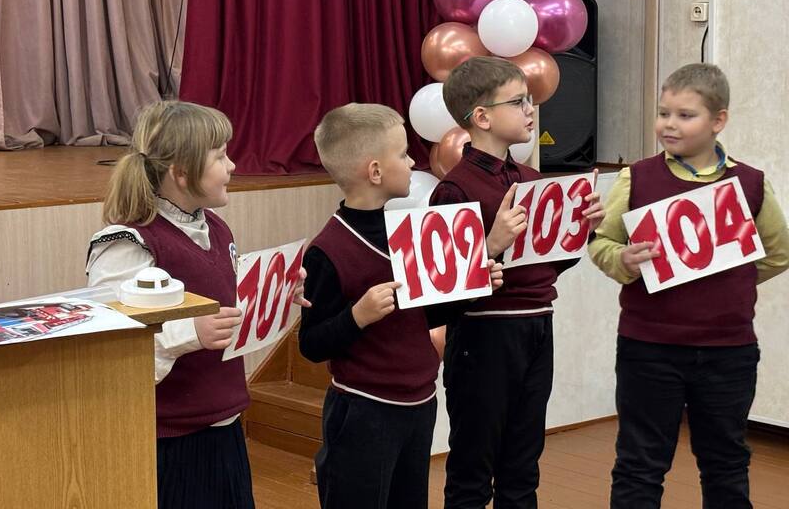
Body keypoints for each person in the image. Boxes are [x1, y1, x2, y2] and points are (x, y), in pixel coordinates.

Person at [87, 100, 307, 509]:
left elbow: (224, 301)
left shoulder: (216, 227)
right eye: (220, 156)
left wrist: (276, 291)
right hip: (170, 441)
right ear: (181, 172)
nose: (233, 166)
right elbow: (113, 344)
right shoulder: (128, 243)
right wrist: (190, 333)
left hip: (223, 425)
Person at [588, 63, 789, 508]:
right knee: (640, 464)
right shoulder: (636, 178)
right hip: (647, 348)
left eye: (685, 115)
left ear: (719, 120)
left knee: (726, 463)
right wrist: (622, 260)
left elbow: (779, 252)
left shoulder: (750, 184)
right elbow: (602, 242)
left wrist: (729, 276)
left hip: (729, 352)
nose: (669, 124)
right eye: (663, 113)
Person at [300, 102, 503, 509]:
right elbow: (312, 344)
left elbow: (423, 316)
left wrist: (472, 288)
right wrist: (356, 317)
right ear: (375, 172)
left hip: (418, 404)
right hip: (363, 410)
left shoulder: (406, 234)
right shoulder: (327, 249)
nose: (413, 162)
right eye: (403, 154)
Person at [430, 56, 605, 508]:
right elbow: (441, 289)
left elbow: (544, 267)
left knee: (523, 466)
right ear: (482, 117)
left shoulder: (531, 179)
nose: (531, 110)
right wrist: (491, 245)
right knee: (472, 470)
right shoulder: (454, 189)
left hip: (537, 326)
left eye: (529, 100)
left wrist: (579, 231)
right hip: (483, 335)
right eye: (518, 101)